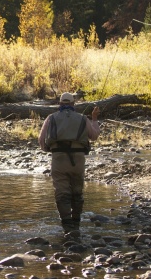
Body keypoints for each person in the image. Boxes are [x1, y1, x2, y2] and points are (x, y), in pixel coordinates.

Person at [38, 92, 100, 234]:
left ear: (60, 104)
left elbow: (41, 142)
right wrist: (95, 118)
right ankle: (76, 223)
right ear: (73, 104)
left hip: (58, 158)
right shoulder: (83, 118)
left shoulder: (51, 118)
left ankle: (67, 225)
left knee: (62, 192)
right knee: (77, 191)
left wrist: (50, 149)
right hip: (78, 159)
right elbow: (94, 136)